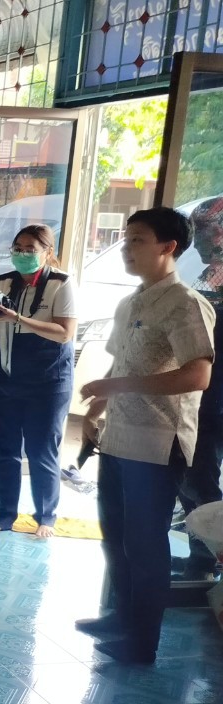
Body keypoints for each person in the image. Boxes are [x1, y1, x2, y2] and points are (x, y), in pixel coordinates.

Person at [79, 207, 215, 664]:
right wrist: (96, 411)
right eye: (125, 239)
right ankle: (120, 617)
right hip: (118, 436)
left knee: (145, 542)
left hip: (158, 443)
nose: (126, 248)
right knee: (115, 535)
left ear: (168, 246)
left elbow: (198, 375)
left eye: (137, 239)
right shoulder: (132, 301)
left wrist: (117, 387)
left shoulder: (186, 303)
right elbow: (120, 364)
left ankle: (142, 641)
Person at [0, 224, 77, 538]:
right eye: (18, 248)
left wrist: (16, 318)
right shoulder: (2, 282)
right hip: (4, 379)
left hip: (47, 382)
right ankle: (3, 516)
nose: (22, 254)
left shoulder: (62, 283)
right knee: (4, 451)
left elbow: (65, 333)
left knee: (42, 451)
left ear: (47, 252)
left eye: (30, 249)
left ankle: (46, 517)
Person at [178, 196, 223, 581]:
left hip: (211, 402)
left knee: (198, 480)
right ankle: (203, 558)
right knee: (193, 477)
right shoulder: (208, 278)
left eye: (206, 232)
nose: (199, 243)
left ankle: (211, 557)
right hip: (199, 400)